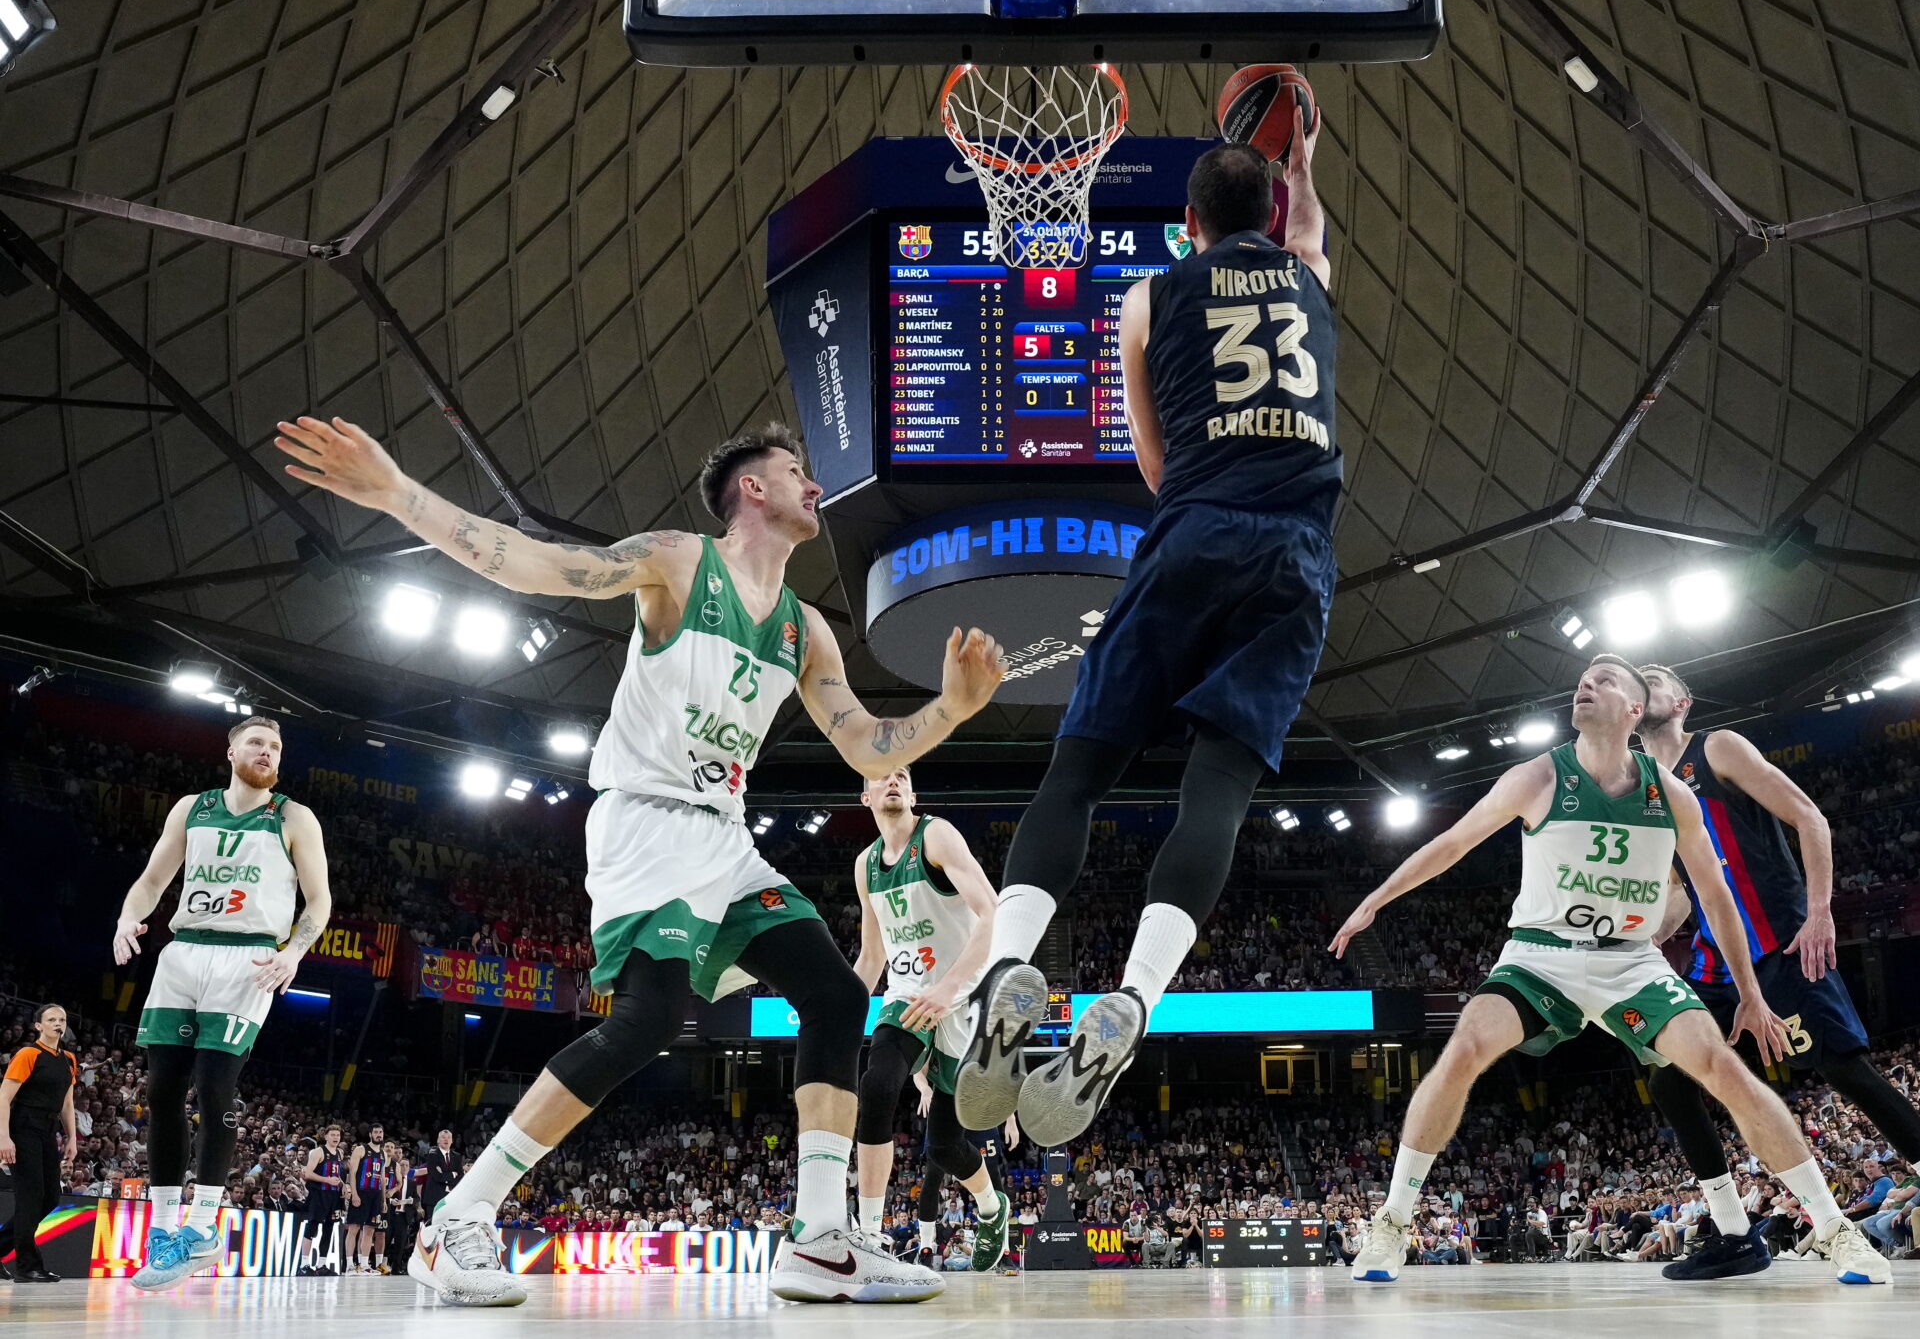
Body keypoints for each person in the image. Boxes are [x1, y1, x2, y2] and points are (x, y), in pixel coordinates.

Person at [271, 415, 1002, 1305]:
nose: (816, 485)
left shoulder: (806, 629)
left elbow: (865, 743)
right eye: (795, 470)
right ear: (753, 488)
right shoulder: (679, 562)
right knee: (645, 1021)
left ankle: (818, 1238)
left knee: (839, 993)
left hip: (725, 837)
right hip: (646, 822)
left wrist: (950, 710)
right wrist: (397, 494)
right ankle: (457, 1215)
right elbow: (536, 564)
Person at [956, 107, 1339, 1148]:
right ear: (1274, 213)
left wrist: (1196, 518)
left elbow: (1152, 456)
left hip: (1191, 529)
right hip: (1296, 556)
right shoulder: (1309, 275)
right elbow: (1308, 228)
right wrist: (1303, 162)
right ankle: (1134, 996)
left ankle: (1008, 969)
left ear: (1187, 221)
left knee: (1077, 773)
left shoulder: (1147, 296)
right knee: (1217, 787)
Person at [1329, 655, 1892, 1285]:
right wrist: (1376, 900)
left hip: (1630, 960)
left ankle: (1836, 1230)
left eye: (1605, 680)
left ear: (1634, 709)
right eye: (1582, 680)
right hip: (1541, 955)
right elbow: (1453, 843)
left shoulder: (1672, 794)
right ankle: (1392, 1223)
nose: (1586, 685)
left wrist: (1751, 994)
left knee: (1722, 1068)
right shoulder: (1537, 776)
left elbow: (1715, 896)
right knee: (1465, 1046)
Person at [1634, 663, 1920, 1281]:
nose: (1641, 685)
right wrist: (1649, 937)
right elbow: (1681, 885)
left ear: (1682, 702)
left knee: (1843, 1068)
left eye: (1654, 678)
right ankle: (1735, 1234)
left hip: (1780, 935)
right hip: (1717, 955)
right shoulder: (1647, 790)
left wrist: (1818, 912)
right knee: (1671, 1082)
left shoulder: (1717, 748)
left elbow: (1809, 816)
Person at [114, 714, 333, 1292]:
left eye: (276, 746)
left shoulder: (293, 816)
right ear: (231, 751)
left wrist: (294, 952)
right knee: (162, 1093)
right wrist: (128, 918)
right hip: (183, 952)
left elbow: (319, 900)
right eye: (256, 742)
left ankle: (203, 1226)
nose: (267, 751)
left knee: (214, 1089)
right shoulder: (192, 808)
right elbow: (152, 880)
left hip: (249, 958)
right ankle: (163, 1230)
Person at [850, 767, 1011, 1273]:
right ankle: (869, 1237)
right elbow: (872, 955)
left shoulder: (936, 835)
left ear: (913, 793)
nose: (892, 780)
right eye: (882, 776)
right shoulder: (866, 865)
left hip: (966, 994)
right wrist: (841, 1011)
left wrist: (948, 986)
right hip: (909, 994)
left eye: (902, 774)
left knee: (943, 1146)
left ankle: (993, 1208)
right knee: (877, 1085)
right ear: (866, 796)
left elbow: (991, 912)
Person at [0, 1004, 77, 1282]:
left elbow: (67, 1103)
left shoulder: (68, 1059)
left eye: (62, 1019)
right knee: (31, 1198)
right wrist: (4, 1137)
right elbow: (4, 1097)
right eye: (51, 1019)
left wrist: (72, 1137)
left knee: (50, 1197)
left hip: (48, 1129)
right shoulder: (28, 1054)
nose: (58, 1023)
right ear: (38, 1026)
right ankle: (27, 1266)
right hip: (24, 1128)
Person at [298, 1125, 347, 1276]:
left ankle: (321, 1265)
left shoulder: (340, 1153)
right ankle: (304, 1265)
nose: (335, 1137)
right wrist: (327, 1180)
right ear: (325, 1136)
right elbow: (308, 1174)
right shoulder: (318, 1152)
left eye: (338, 1135)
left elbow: (337, 1175)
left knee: (329, 1228)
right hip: (319, 1194)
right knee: (312, 1227)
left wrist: (343, 1185)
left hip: (334, 1196)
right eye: (332, 1134)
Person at [344, 1123, 390, 1274]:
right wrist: (354, 1194)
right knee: (354, 1228)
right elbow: (352, 1173)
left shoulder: (383, 1154)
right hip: (361, 1192)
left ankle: (364, 1265)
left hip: (375, 1195)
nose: (379, 1135)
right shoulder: (361, 1149)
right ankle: (349, 1265)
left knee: (370, 1229)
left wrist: (383, 1200)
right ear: (370, 1134)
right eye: (376, 1132)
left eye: (380, 1132)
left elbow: (382, 1178)